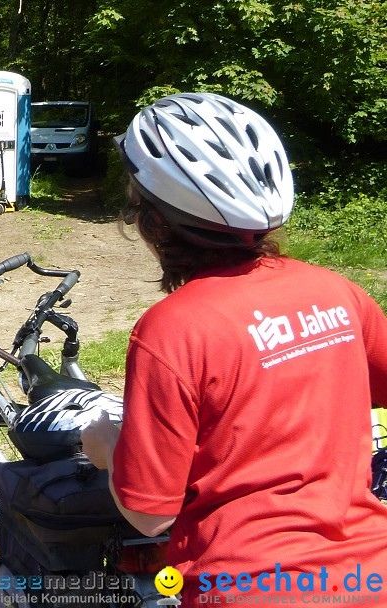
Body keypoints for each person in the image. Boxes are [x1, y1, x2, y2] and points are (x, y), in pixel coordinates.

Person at [80, 93, 387, 603]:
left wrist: (107, 447)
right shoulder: (339, 291)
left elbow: (149, 513)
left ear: (152, 223)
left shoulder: (172, 329)